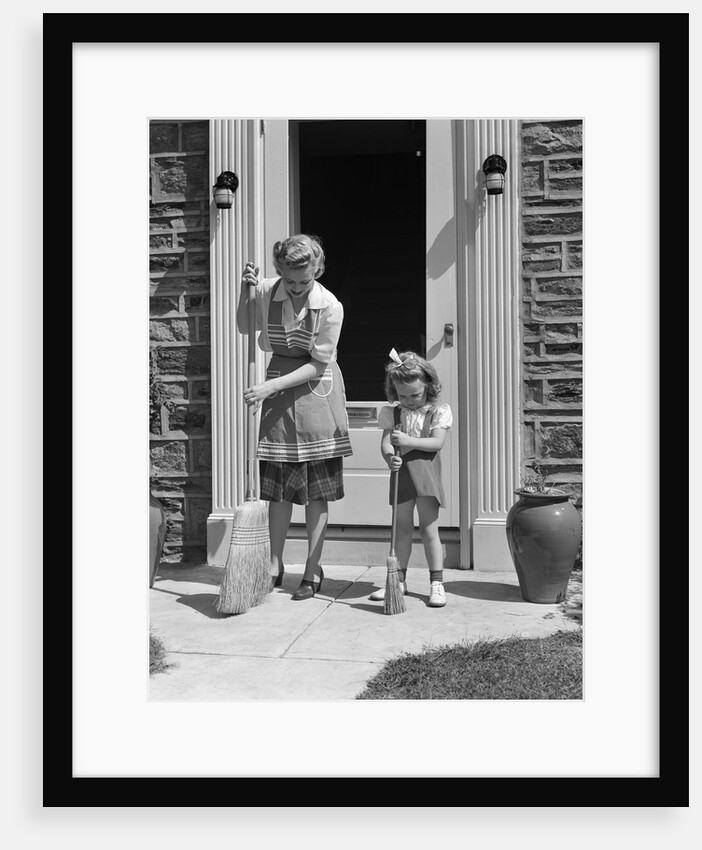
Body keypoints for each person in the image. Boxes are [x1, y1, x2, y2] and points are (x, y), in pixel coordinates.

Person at [239, 234, 352, 600]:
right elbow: (244, 326)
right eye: (290, 281)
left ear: (318, 269)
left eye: (305, 281)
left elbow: (318, 364)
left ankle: (312, 567)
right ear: (279, 271)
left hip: (316, 391)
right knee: (279, 491)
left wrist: (270, 388)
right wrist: (247, 291)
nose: (299, 288)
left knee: (316, 492)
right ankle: (274, 564)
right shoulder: (269, 290)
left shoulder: (330, 306)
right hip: (276, 390)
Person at [369, 348, 453, 607]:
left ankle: (436, 582)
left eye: (415, 394)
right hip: (402, 476)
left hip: (426, 476)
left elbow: (437, 442)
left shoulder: (437, 411)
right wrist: (388, 457)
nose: (410, 400)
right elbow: (385, 443)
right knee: (402, 529)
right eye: (402, 395)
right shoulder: (393, 413)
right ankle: (398, 581)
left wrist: (408, 441)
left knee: (429, 530)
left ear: (429, 385)